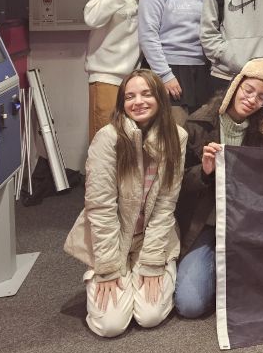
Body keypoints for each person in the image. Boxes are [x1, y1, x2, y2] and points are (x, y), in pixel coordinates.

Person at [64, 69, 185, 337]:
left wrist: (153, 261)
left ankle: (146, 271)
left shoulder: (177, 137)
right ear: (122, 103)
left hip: (150, 239)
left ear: (160, 98)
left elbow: (166, 204)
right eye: (129, 96)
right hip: (113, 239)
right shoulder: (107, 138)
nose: (138, 101)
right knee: (110, 325)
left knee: (150, 316)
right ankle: (114, 276)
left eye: (146, 94)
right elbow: (100, 208)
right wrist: (107, 268)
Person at [174, 58, 263, 319]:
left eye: (261, 97)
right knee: (190, 305)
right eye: (249, 90)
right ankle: (217, 266)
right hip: (206, 224)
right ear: (236, 86)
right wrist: (203, 171)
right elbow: (176, 187)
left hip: (247, 225)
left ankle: (227, 271)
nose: (252, 100)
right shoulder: (197, 124)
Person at [84, 0, 148, 141]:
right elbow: (91, 19)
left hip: (136, 79)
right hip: (106, 77)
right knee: (106, 141)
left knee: (133, 141)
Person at [138, 0, 209, 124]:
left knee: (198, 133)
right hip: (169, 67)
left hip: (200, 70)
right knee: (175, 133)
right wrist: (165, 75)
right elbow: (148, 36)